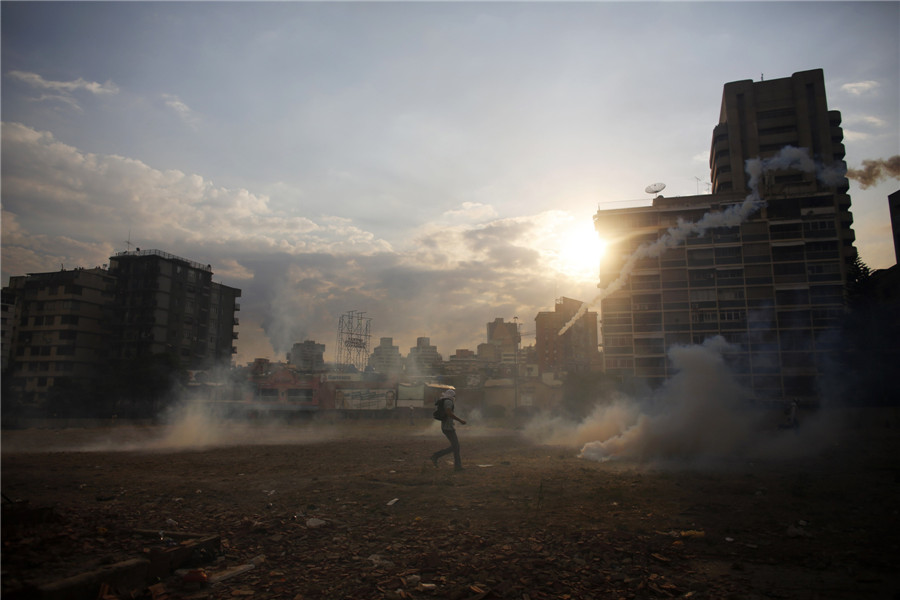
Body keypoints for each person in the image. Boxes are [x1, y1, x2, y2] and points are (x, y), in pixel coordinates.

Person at [430, 389, 466, 471]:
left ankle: (436, 456)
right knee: (456, 447)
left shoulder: (445, 401)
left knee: (455, 447)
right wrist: (460, 420)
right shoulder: (449, 402)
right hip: (448, 428)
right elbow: (449, 413)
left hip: (447, 427)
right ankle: (457, 466)